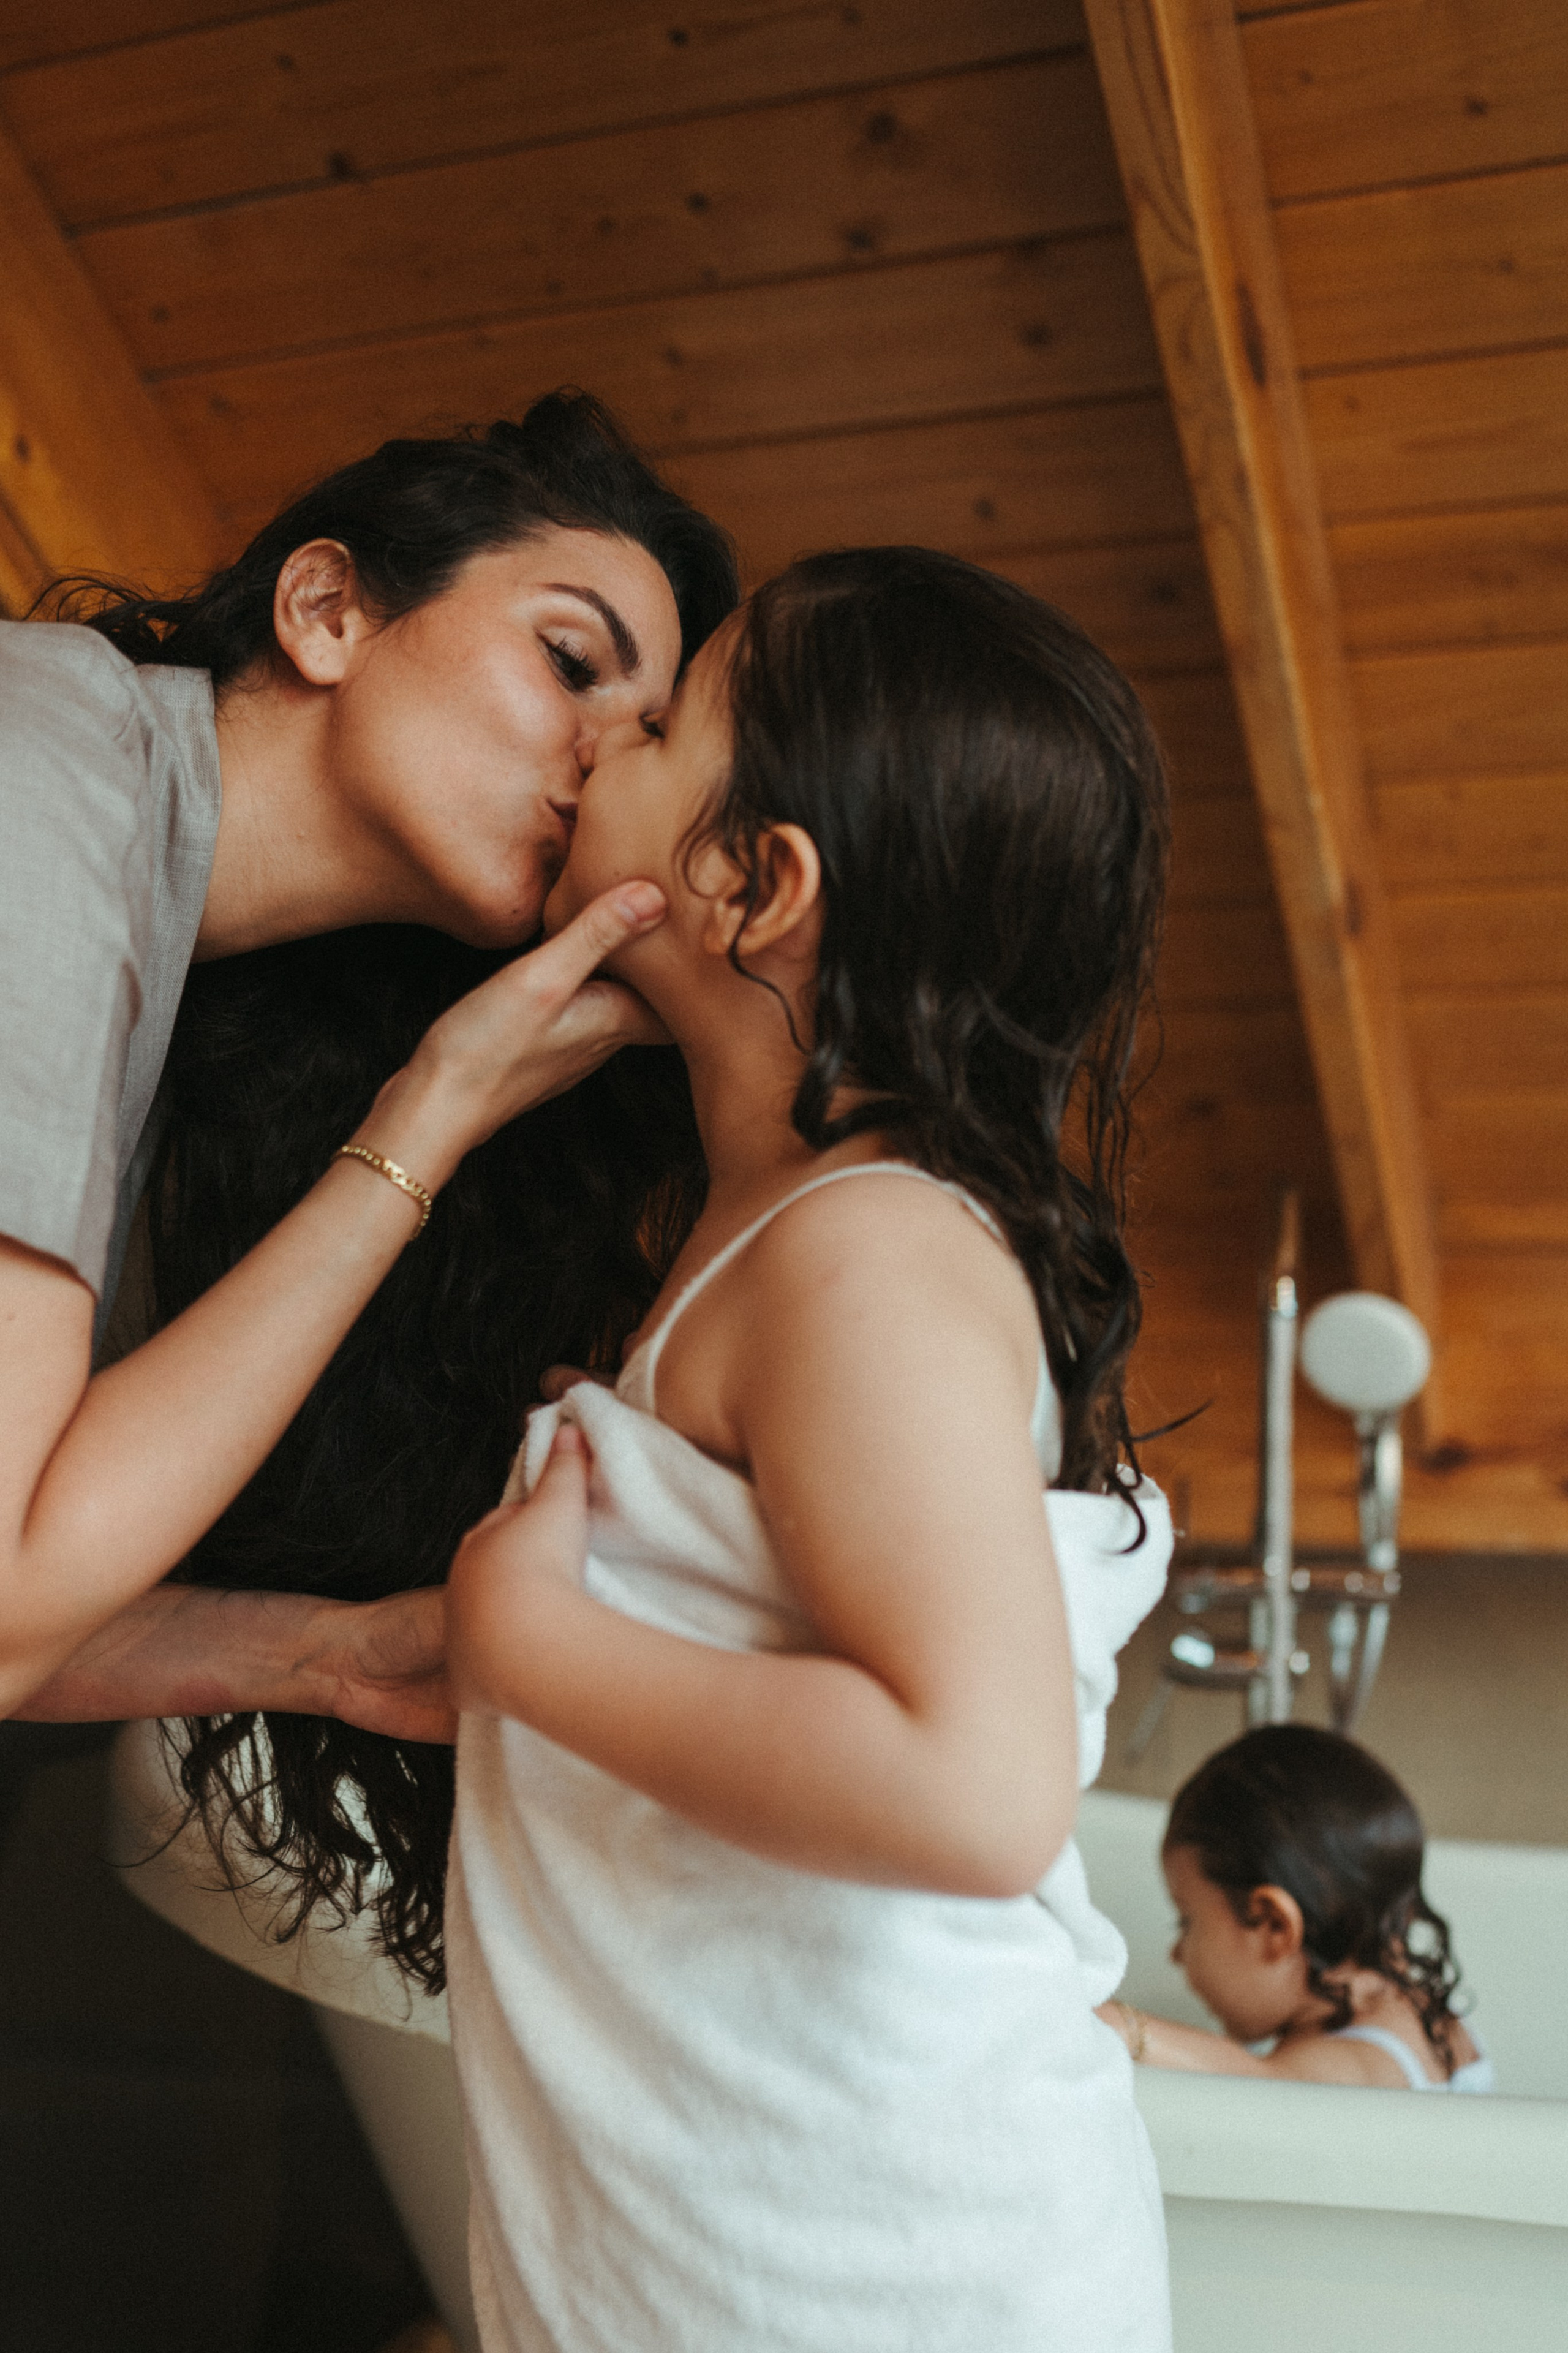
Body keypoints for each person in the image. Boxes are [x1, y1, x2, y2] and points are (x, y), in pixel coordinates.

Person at [443, 549, 1176, 2351]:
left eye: (667, 711)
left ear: (753, 883)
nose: (605, 725)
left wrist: (531, 1643)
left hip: (886, 2277)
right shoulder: (766, 1233)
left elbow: (972, 1783)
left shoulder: (867, 1254)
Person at [1, 393, 737, 1984]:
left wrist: (322, 1658)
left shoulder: (147, 931)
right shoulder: (38, 761)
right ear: (328, 610)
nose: (606, 748)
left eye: (655, 728)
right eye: (571, 659)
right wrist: (434, 1112)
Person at [1098, 1723, 1493, 2091]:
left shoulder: (1357, 2067)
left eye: (1185, 1921)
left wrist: (1122, 2028)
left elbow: (1261, 2087)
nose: (1176, 1955)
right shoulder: (1428, 2013)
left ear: (1275, 1926)